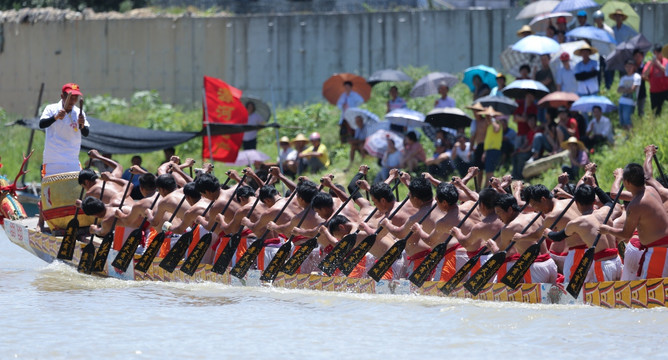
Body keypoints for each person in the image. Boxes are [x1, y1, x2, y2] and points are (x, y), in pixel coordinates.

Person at [599, 163, 668, 279]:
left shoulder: (635, 205)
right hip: (661, 249)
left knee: (651, 293)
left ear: (627, 183)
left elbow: (626, 234)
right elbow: (615, 194)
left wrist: (608, 230)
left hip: (658, 252)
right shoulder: (651, 190)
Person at [545, 183, 623, 282]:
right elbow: (609, 202)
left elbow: (558, 237)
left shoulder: (577, 222)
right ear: (594, 201)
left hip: (603, 265)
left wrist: (548, 233)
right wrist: (595, 186)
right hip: (617, 260)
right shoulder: (605, 211)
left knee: (601, 297)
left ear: (576, 203)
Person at [39, 83, 90, 178]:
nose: (73, 101)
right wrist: (56, 117)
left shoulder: (79, 112)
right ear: (62, 96)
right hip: (52, 162)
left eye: (75, 98)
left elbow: (86, 133)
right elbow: (42, 124)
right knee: (51, 192)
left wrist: (82, 124)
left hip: (72, 162)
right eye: (70, 97)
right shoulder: (51, 109)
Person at [642, 44, 668, 116]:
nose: (659, 55)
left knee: (665, 111)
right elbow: (644, 75)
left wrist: (659, 64)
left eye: (660, 53)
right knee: (656, 112)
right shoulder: (649, 63)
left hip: (666, 90)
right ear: (654, 53)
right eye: (657, 53)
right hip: (655, 92)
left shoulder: (666, 61)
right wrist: (651, 65)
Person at [617, 60, 642, 129]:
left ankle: (631, 136)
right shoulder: (623, 78)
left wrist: (624, 89)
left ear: (634, 67)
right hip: (621, 101)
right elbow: (618, 90)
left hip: (630, 102)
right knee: (622, 122)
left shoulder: (636, 76)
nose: (628, 68)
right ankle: (626, 137)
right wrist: (627, 89)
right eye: (627, 67)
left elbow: (632, 89)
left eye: (630, 66)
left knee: (628, 121)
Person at [481, 107, 502, 181]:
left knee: (490, 172)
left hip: (494, 150)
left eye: (487, 116)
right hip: (489, 151)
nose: (486, 117)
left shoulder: (497, 123)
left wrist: (492, 118)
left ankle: (489, 188)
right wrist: (485, 152)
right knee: (488, 172)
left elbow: (496, 129)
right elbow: (488, 141)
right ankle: (488, 188)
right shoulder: (489, 126)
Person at [633, 49, 648, 117]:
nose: (637, 57)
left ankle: (640, 124)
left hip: (642, 91)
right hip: (633, 91)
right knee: (632, 109)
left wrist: (643, 77)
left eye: (639, 56)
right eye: (636, 56)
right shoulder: (631, 67)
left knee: (641, 111)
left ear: (642, 57)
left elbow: (648, 78)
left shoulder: (645, 66)